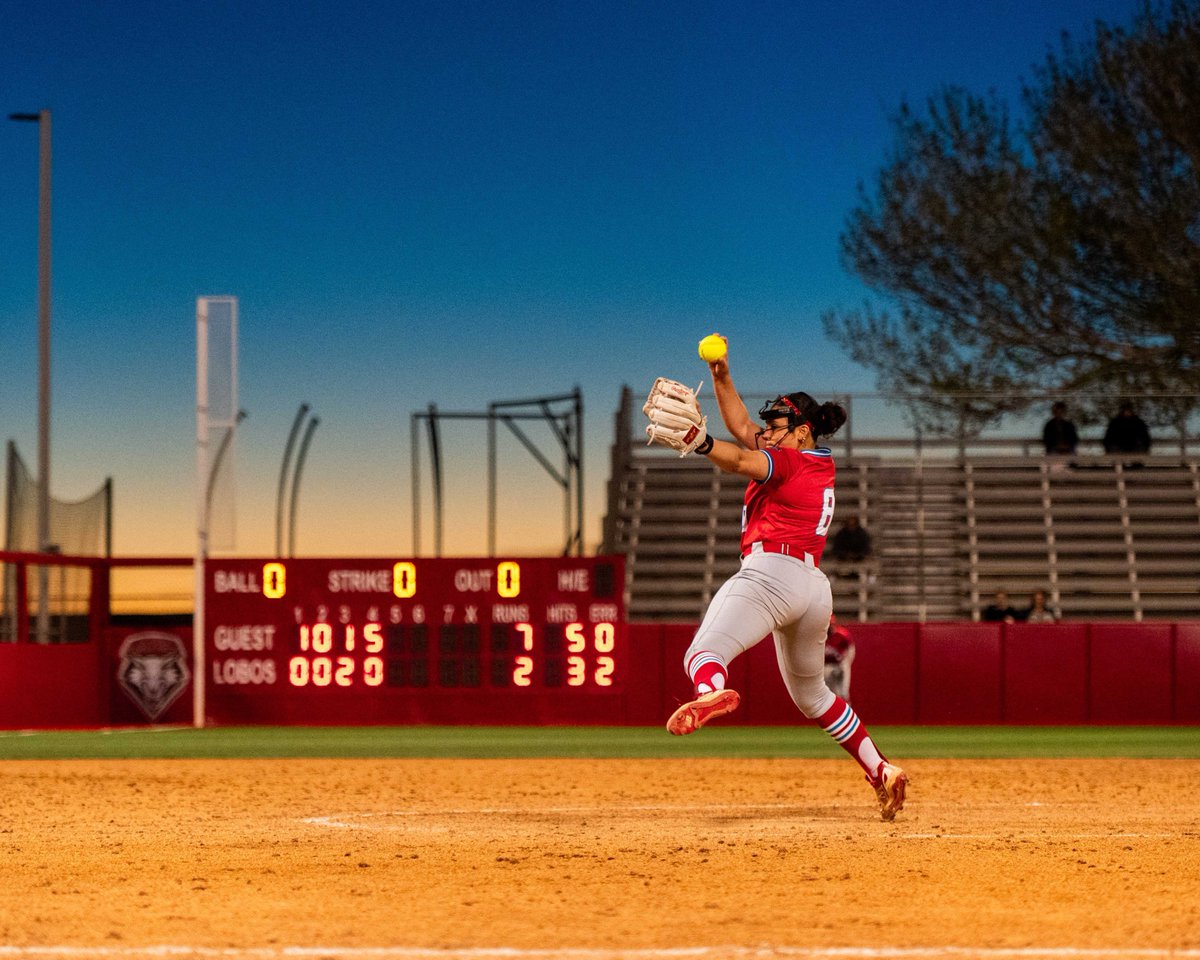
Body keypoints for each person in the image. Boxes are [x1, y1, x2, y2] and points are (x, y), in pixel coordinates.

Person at [641, 342, 908, 821]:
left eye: (776, 427)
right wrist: (721, 375)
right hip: (813, 588)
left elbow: (741, 460)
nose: (765, 433)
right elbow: (743, 430)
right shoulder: (815, 461)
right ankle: (881, 769)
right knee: (815, 697)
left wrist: (699, 442)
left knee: (702, 654)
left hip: (772, 574)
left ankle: (709, 694)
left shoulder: (789, 462)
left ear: (802, 431)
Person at [823, 615, 855, 701]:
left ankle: (846, 708)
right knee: (828, 694)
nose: (830, 627)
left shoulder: (841, 634)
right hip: (826, 667)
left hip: (839, 665)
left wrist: (847, 662)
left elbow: (851, 648)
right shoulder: (820, 636)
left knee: (843, 693)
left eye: (831, 625)